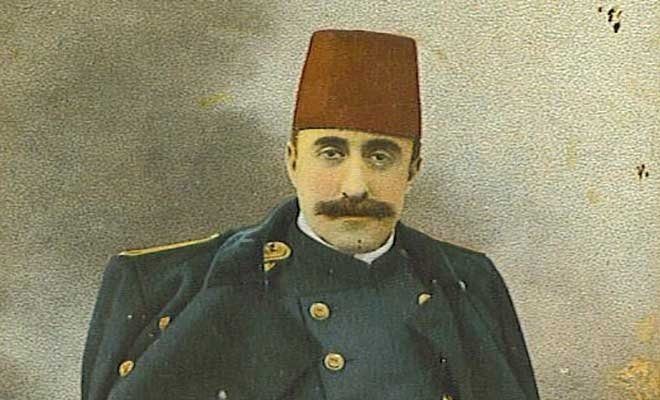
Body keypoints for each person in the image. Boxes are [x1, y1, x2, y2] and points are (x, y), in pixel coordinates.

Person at [82, 29, 540, 400]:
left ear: (413, 170)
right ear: (292, 161)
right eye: (331, 153)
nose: (355, 186)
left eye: (380, 156)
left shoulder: (469, 281)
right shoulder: (165, 284)